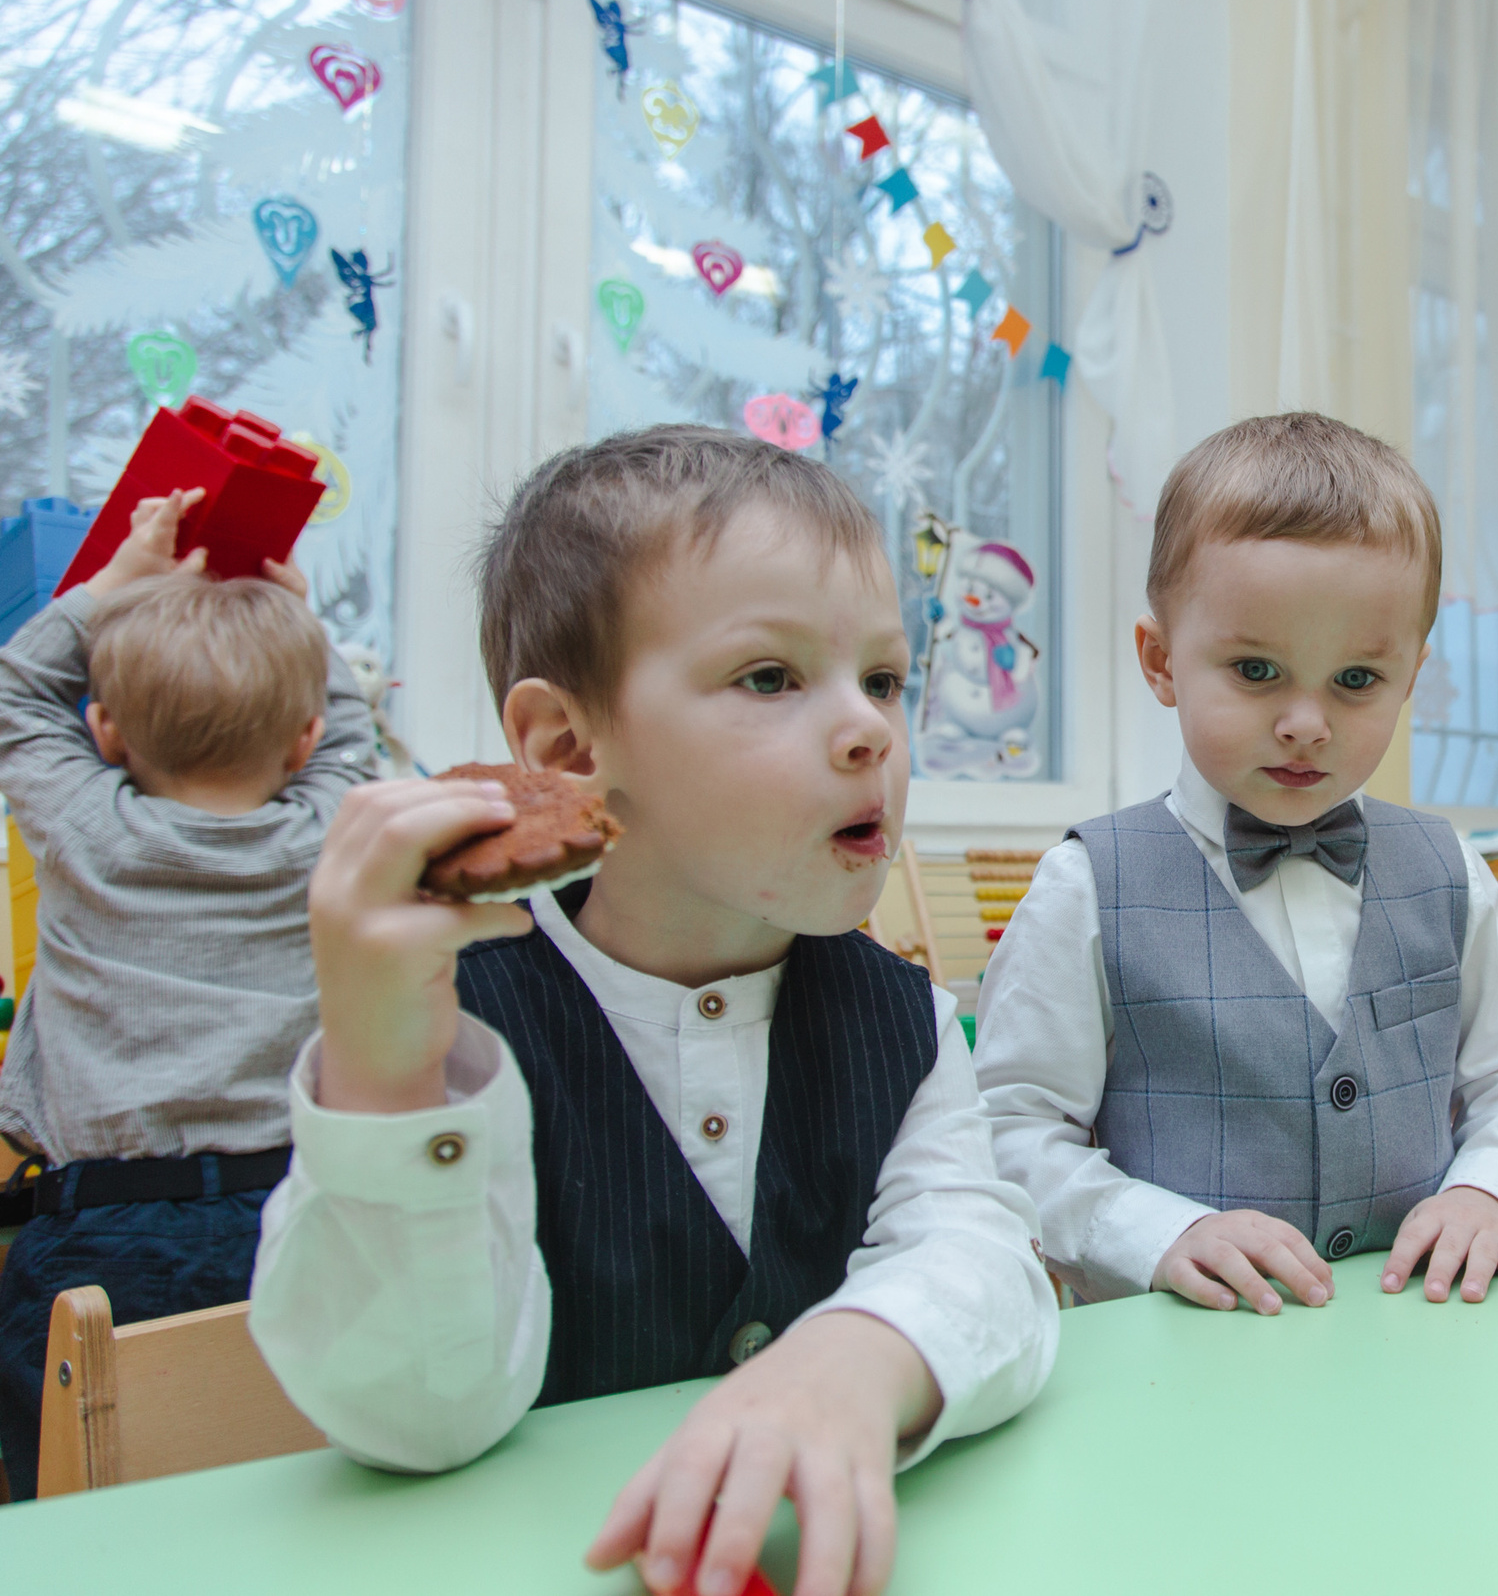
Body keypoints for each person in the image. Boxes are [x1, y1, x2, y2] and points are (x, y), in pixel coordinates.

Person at [248, 428, 1055, 1596]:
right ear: (570, 749)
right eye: (770, 678)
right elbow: (414, 1418)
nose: (873, 728)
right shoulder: (451, 1028)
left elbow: (987, 1261)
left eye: (883, 678)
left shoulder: (906, 1018)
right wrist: (383, 1081)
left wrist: (861, 1355)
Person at [973, 411, 1498, 1316]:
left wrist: (1488, 1189)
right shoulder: (1086, 888)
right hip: (1178, 1359)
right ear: (1161, 659)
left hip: (1418, 1339)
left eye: (1357, 680)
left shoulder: (1452, 871)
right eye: (1256, 671)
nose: (1306, 721)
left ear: (1410, 674)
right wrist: (1158, 1230)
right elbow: (1012, 1129)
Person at [0, 490, 375, 1501]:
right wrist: (297, 620)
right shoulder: (328, 828)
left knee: (77, 1523)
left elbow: (14, 692)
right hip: (296, 1217)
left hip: (98, 1239)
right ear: (298, 743)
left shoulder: (84, 828)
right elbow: (347, 733)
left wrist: (116, 585)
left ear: (106, 731)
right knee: (296, 1497)